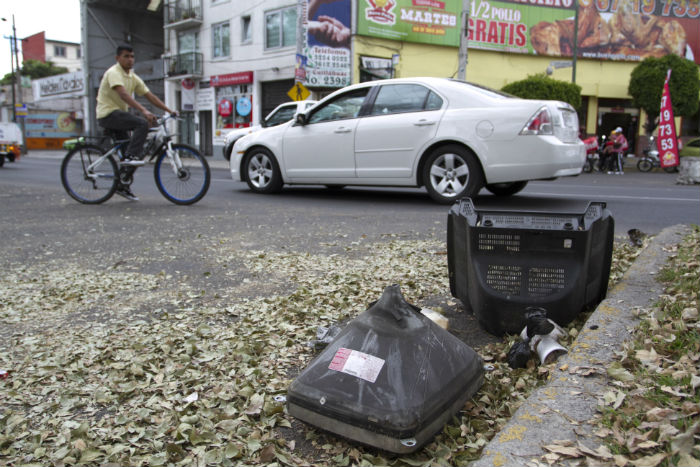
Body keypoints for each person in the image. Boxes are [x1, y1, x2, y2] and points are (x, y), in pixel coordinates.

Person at [96, 45, 177, 200]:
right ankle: (129, 157)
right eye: (126, 56)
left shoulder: (132, 77)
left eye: (132, 56)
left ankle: (122, 185)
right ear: (117, 58)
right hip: (107, 114)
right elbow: (124, 95)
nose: (130, 59)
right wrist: (144, 111)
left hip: (119, 115)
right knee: (141, 124)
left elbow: (150, 96)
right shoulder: (114, 73)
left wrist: (169, 110)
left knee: (136, 155)